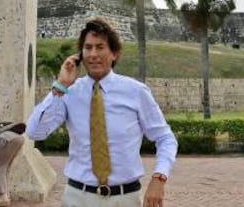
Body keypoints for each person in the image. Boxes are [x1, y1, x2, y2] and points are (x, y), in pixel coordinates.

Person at [26, 17, 178, 207]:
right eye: (88, 48)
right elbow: (35, 132)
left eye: (100, 47)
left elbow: (165, 137)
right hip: (77, 198)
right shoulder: (68, 93)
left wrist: (159, 177)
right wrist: (60, 87)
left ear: (114, 53)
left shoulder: (136, 92)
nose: (93, 54)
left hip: (125, 199)